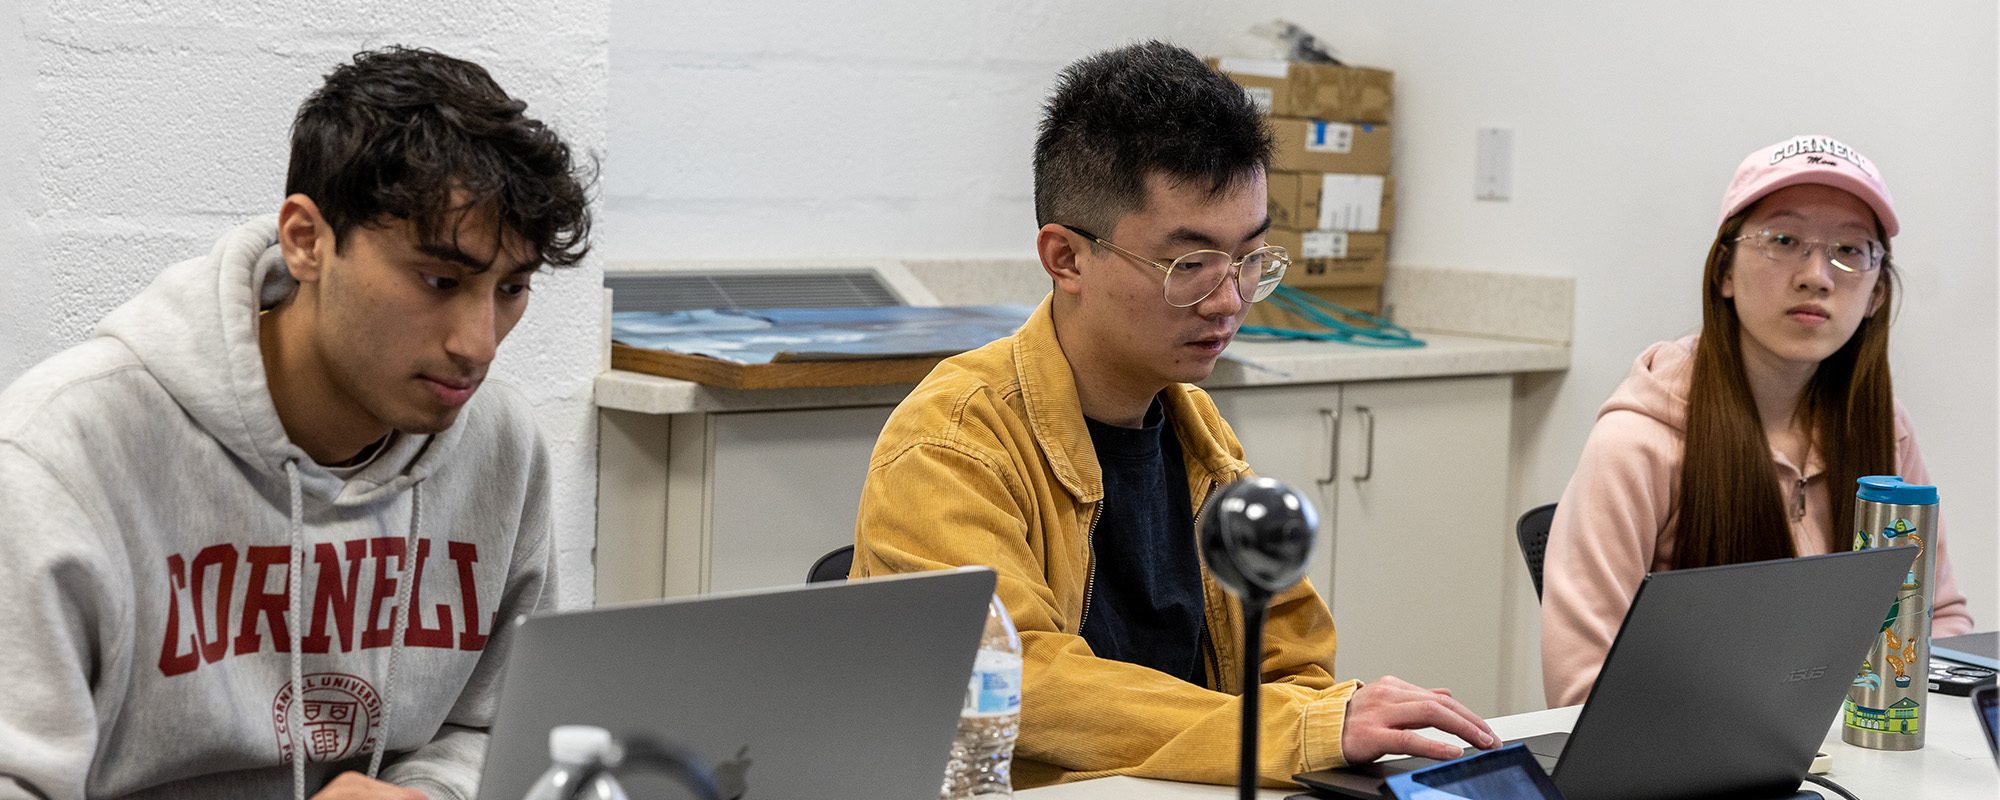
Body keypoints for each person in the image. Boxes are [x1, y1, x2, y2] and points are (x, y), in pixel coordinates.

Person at [851, 41, 1497, 789]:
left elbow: (1291, 661)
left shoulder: (1198, 430)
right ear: (1065, 259)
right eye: (1189, 265)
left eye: (1251, 258)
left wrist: (1331, 727)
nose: (1229, 301)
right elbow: (1022, 684)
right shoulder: (952, 442)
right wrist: (1300, 730)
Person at [0, 47, 593, 799]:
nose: (477, 344)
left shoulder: (499, 447)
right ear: (307, 240)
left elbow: (497, 728)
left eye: (510, 288)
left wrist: (427, 795)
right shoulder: (59, 454)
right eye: (439, 280)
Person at [1540, 135, 1974, 707]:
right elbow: (1583, 690)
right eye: (1785, 240)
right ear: (1723, 270)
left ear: (1875, 294)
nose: (1817, 274)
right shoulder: (1637, 443)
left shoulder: (1886, 430)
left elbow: (1937, 621)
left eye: (1850, 250)